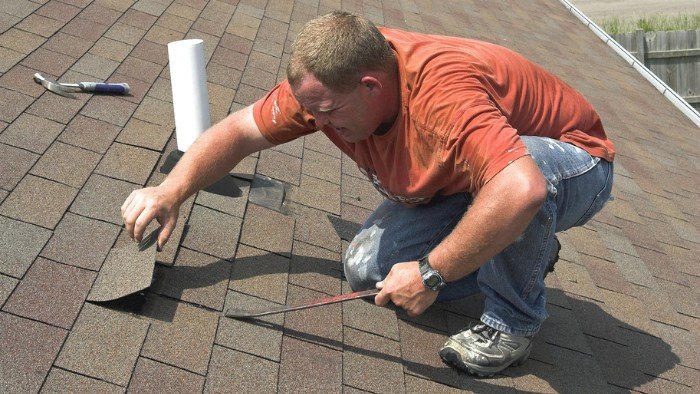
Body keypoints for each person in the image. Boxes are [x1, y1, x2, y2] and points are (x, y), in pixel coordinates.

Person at [121, 11, 614, 377]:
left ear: (372, 86)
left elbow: (522, 186)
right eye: (312, 111)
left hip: (576, 162)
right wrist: (171, 191)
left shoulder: (443, 99)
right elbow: (237, 132)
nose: (319, 124)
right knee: (367, 272)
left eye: (330, 112)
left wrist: (431, 272)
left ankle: (512, 318)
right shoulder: (324, 89)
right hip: (474, 175)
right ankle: (520, 247)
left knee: (524, 178)